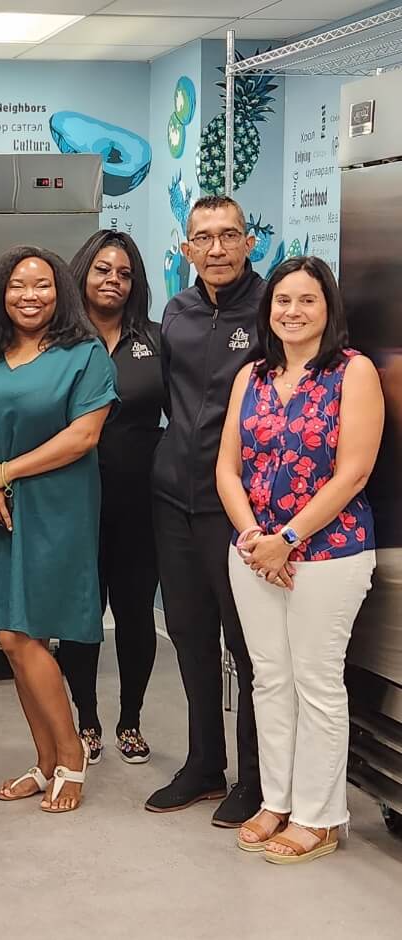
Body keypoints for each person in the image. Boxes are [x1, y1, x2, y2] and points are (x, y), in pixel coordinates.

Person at [217, 256, 383, 864]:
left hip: (329, 553)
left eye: (306, 300)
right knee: (269, 679)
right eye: (282, 300)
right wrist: (255, 539)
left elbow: (354, 471)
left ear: (327, 308)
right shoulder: (252, 375)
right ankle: (276, 800)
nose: (291, 311)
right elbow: (227, 468)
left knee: (316, 682)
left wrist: (286, 538)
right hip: (254, 549)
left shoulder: (353, 371)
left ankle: (319, 816)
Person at [0, 246, 117, 813]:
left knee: (25, 633)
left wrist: (5, 472)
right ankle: (46, 762)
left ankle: (71, 754)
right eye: (18, 284)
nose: (30, 295)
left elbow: (83, 436)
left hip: (55, 506)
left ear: (60, 291)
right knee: (14, 638)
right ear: (2, 292)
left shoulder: (84, 353)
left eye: (43, 284)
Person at [145, 195, 265, 827]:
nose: (216, 249)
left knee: (247, 646)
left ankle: (254, 776)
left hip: (238, 504)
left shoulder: (271, 309)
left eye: (229, 236)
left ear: (250, 243)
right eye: (203, 238)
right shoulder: (178, 311)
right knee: (189, 634)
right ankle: (203, 764)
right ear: (187, 247)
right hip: (174, 495)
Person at [58, 231, 163, 765]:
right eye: (102, 270)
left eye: (124, 273)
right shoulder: (60, 341)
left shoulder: (156, 340)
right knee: (81, 615)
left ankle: (130, 720)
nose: (113, 281)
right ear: (83, 273)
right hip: (71, 500)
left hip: (140, 503)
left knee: (135, 614)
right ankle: (88, 720)